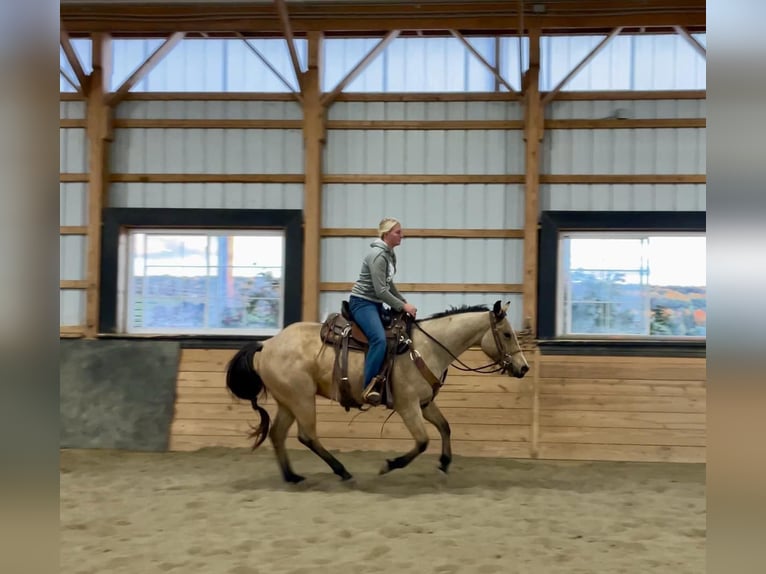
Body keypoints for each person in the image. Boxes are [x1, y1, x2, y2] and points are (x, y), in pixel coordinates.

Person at [348, 217, 418, 405]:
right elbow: (381, 291)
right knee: (379, 339)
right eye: (398, 232)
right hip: (362, 303)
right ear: (386, 235)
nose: (402, 235)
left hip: (375, 304)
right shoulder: (378, 256)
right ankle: (368, 387)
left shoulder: (388, 254)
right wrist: (403, 306)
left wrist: (403, 301)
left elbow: (389, 284)